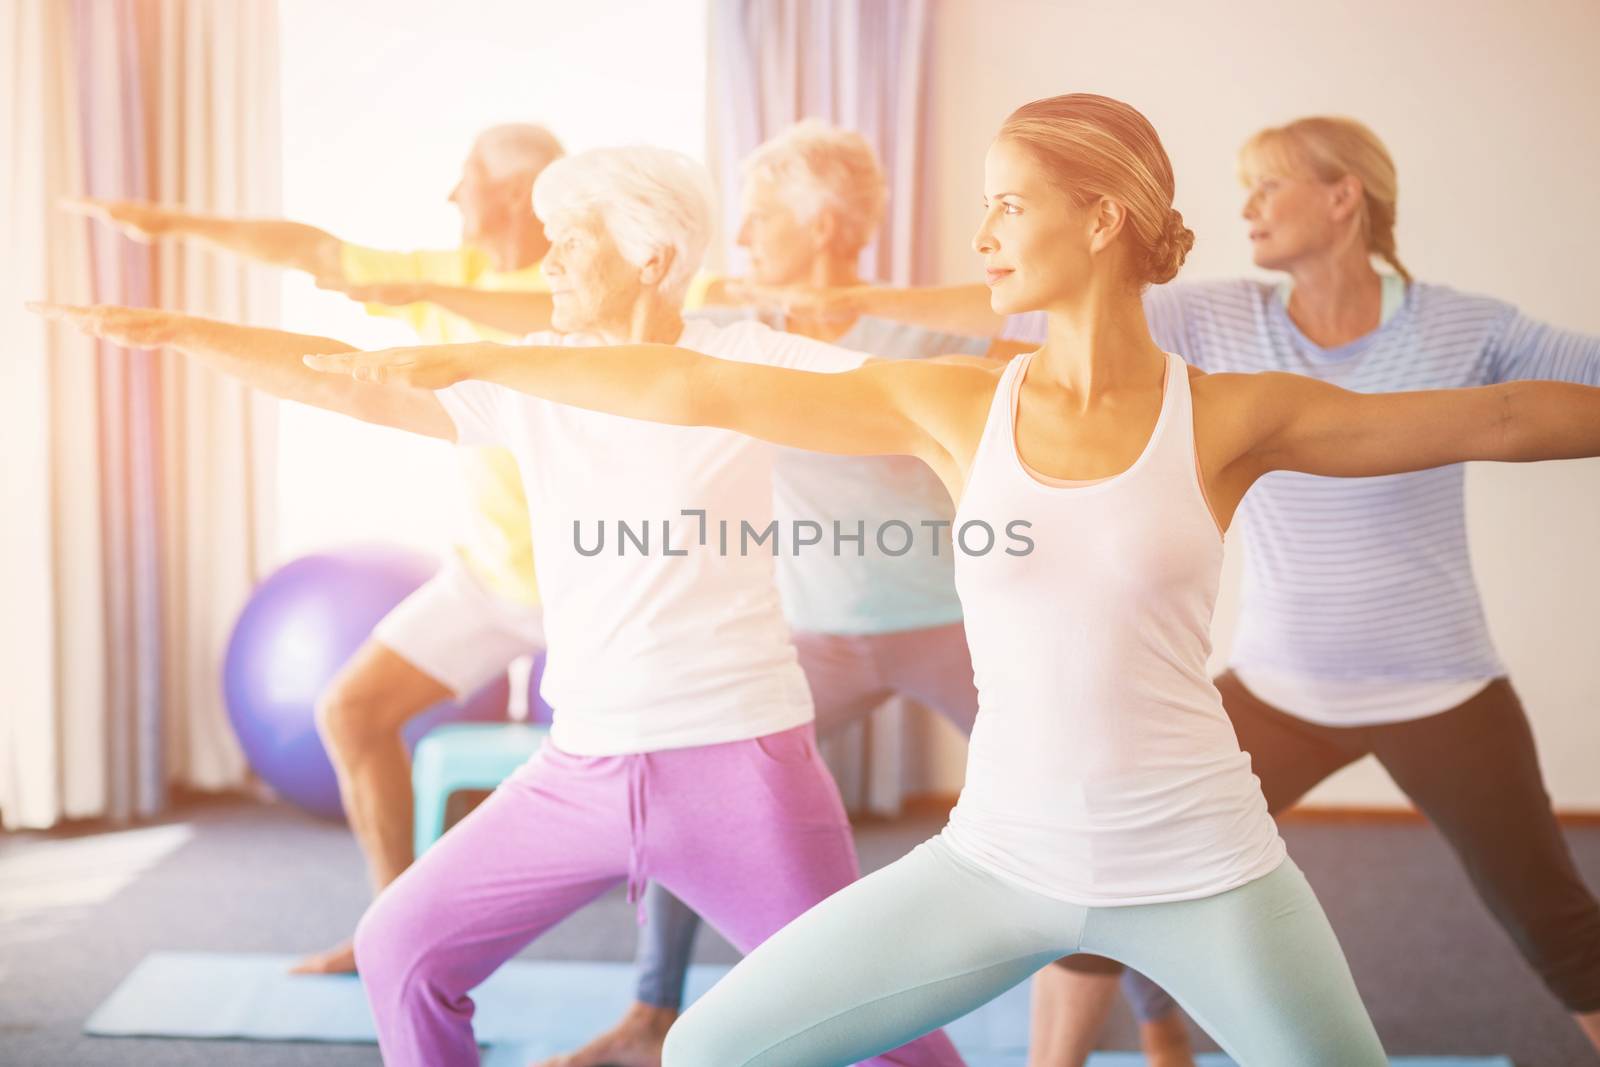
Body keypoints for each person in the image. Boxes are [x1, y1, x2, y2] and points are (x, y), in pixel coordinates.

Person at [31, 144, 966, 1067]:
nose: (545, 261)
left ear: (650, 258)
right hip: (579, 769)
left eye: (570, 239)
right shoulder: (532, 377)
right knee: (400, 948)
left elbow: (908, 401)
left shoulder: (751, 360)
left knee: (880, 1028)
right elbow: (342, 378)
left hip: (737, 765)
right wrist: (187, 335)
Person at [770, 113, 1600, 1064]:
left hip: (1442, 687)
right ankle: (1093, 1052)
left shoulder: (1468, 325)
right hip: (1284, 685)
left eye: (1270, 185)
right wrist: (850, 298)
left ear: (1343, 198)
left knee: (1553, 920)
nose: (1245, 206)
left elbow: (1526, 407)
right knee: (1112, 868)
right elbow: (1009, 300)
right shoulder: (1218, 317)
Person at [538, 119, 1016, 1067]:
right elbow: (622, 330)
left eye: (763, 218)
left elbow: (1044, 329)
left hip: (941, 627)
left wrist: (857, 299)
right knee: (690, 776)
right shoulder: (739, 337)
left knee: (1073, 783)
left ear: (828, 225)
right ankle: (650, 1014)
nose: (744, 238)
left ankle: (1158, 1023)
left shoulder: (924, 332)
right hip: (817, 636)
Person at [67, 124, 564, 975]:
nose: (451, 195)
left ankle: (654, 991)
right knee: (351, 711)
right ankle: (394, 932)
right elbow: (314, 250)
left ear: (516, 191)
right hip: (487, 578)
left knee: (657, 766)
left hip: (590, 586)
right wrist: (176, 224)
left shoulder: (584, 287)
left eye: (465, 174)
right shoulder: (449, 278)